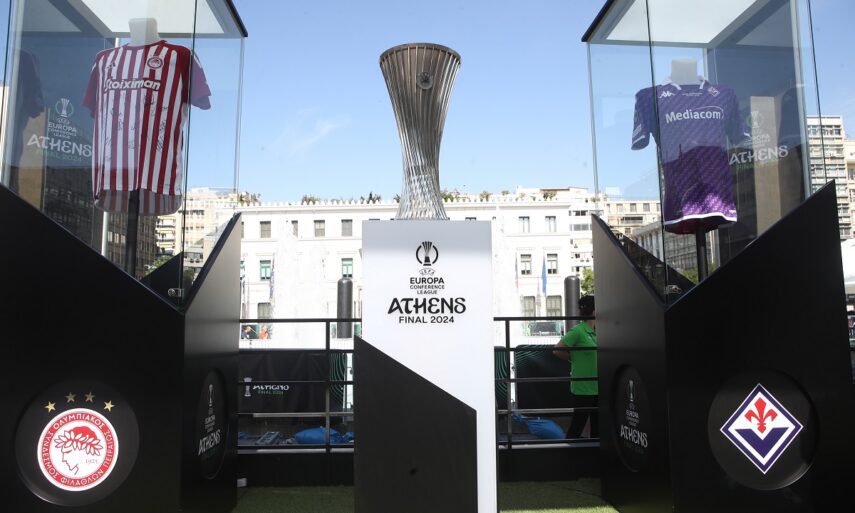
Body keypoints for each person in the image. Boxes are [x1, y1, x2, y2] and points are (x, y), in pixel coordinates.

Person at [553, 295, 598, 439]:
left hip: (598, 384)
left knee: (597, 425)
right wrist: (573, 358)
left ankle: (592, 451)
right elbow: (557, 350)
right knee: (578, 423)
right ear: (595, 310)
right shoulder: (578, 330)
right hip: (583, 385)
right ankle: (569, 449)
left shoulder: (598, 331)